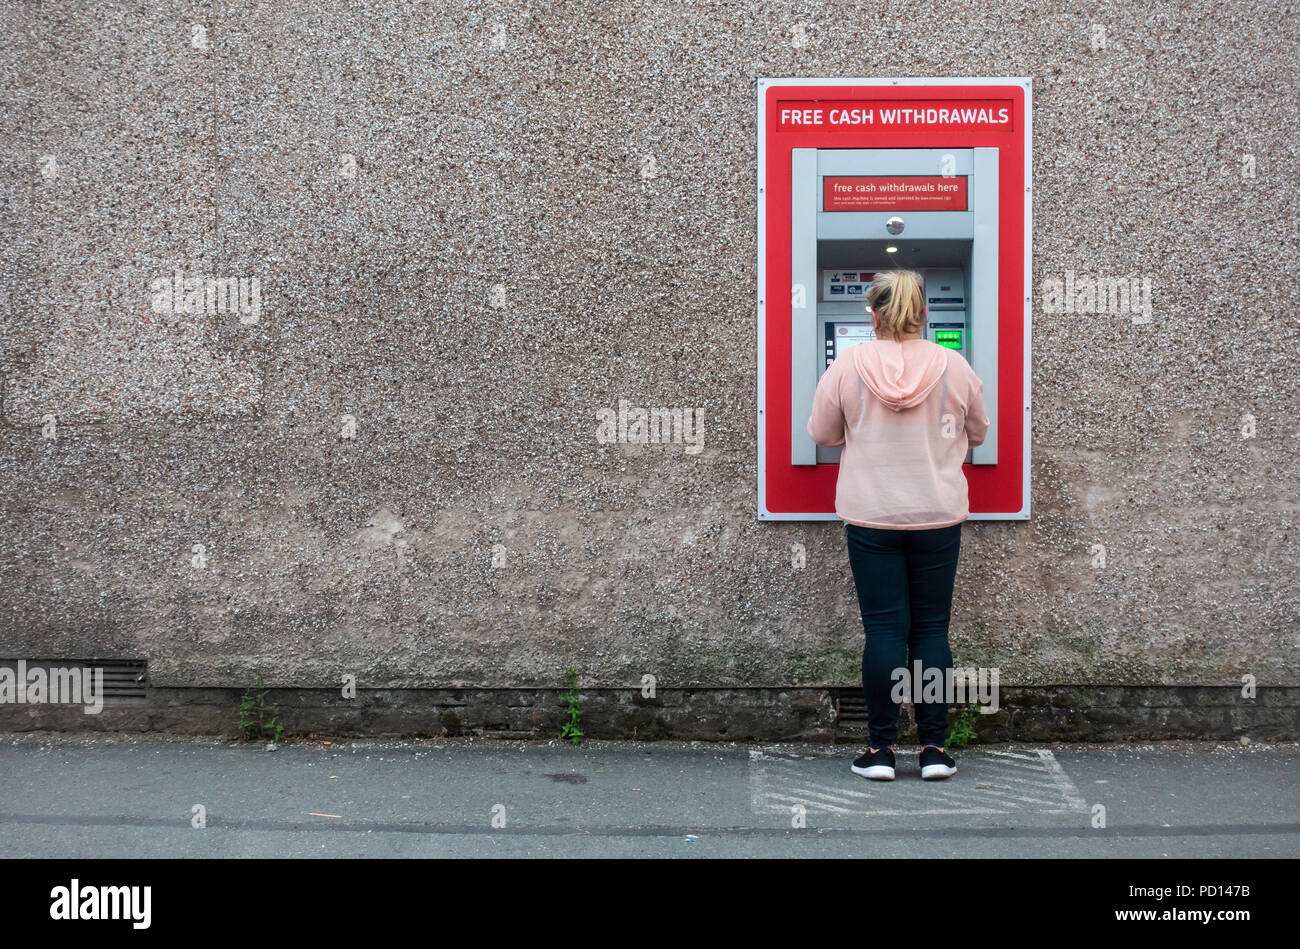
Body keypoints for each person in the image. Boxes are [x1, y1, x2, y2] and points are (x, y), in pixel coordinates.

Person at [807, 269, 989, 781]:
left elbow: (822, 432)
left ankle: (880, 752)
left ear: (874, 316)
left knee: (884, 631)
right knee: (931, 630)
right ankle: (934, 750)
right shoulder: (955, 365)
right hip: (936, 514)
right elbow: (977, 430)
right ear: (925, 313)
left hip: (873, 515)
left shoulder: (848, 364)